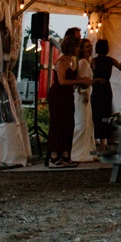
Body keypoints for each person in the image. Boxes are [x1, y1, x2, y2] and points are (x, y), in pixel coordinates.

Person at [46, 34, 82, 167]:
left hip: (68, 95)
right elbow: (62, 81)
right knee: (58, 123)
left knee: (68, 123)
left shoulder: (72, 61)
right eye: (77, 47)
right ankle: (54, 156)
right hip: (59, 95)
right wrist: (80, 80)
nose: (79, 49)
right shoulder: (61, 62)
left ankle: (66, 154)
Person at [71, 38, 98, 162]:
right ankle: (76, 152)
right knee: (81, 124)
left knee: (88, 124)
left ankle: (87, 151)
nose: (90, 48)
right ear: (82, 49)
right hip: (82, 96)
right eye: (87, 46)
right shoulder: (82, 62)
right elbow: (80, 81)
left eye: (91, 46)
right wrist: (84, 91)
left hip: (87, 95)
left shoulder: (88, 62)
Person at [92, 38, 121, 147]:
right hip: (106, 89)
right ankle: (104, 140)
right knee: (105, 112)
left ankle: (97, 139)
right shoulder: (111, 60)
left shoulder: (93, 61)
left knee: (96, 113)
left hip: (97, 89)